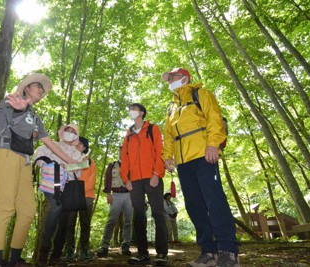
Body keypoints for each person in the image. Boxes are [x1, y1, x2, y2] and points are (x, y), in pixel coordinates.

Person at [0, 74, 79, 267]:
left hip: (24, 161)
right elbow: (3, 117)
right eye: (39, 86)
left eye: (44, 90)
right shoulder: (11, 100)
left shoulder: (35, 117)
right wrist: (19, 109)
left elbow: (49, 143)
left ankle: (14, 259)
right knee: (5, 206)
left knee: (28, 210)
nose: (42, 91)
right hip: (4, 153)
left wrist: (70, 160)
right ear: (26, 87)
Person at [162, 68, 239, 267]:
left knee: (214, 201)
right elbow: (169, 136)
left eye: (173, 77)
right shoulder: (171, 108)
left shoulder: (201, 94)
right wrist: (167, 157)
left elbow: (214, 118)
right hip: (183, 162)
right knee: (194, 205)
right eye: (168, 79)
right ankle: (208, 252)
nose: (169, 81)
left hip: (204, 154)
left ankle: (228, 251)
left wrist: (213, 144)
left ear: (185, 78)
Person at [120, 103, 168, 266]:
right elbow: (124, 159)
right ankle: (142, 253)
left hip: (152, 177)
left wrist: (156, 174)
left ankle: (162, 253)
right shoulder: (128, 135)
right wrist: (126, 179)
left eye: (133, 109)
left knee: (158, 214)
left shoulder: (152, 129)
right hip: (134, 181)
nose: (130, 112)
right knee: (139, 216)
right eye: (129, 110)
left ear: (141, 112)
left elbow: (159, 151)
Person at [34, 124, 84, 267]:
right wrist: (52, 165)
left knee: (63, 221)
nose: (70, 133)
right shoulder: (51, 145)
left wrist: (66, 167)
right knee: (56, 207)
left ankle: (56, 255)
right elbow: (38, 157)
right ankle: (43, 252)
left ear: (76, 136)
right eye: (67, 130)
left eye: (73, 132)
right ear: (61, 132)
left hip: (68, 188)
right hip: (51, 185)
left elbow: (79, 171)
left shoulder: (77, 153)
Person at [51, 136, 97, 263]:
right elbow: (63, 176)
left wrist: (79, 191)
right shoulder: (68, 161)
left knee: (85, 223)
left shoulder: (90, 162)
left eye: (80, 144)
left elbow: (91, 181)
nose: (77, 145)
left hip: (86, 195)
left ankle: (84, 249)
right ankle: (69, 249)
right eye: (76, 144)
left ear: (85, 147)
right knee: (69, 223)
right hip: (71, 195)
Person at [97, 145, 133, 258]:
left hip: (129, 195)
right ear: (119, 151)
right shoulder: (112, 165)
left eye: (125, 150)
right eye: (121, 150)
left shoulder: (132, 164)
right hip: (116, 195)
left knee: (128, 221)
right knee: (111, 221)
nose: (122, 151)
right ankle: (104, 246)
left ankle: (126, 245)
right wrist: (108, 194)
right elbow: (107, 179)